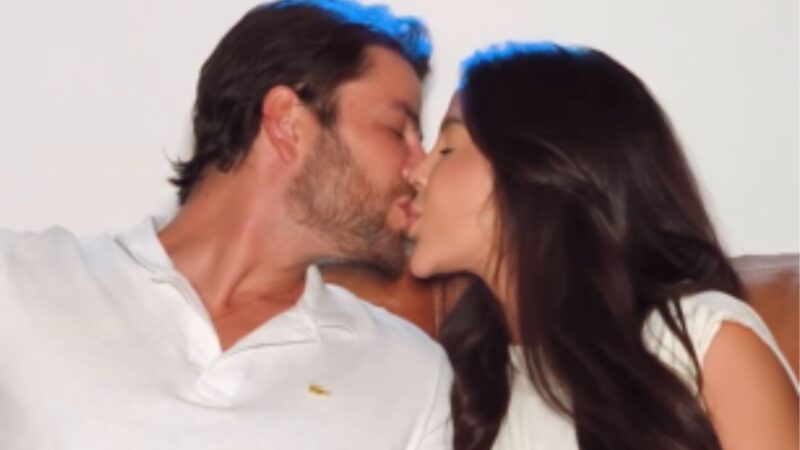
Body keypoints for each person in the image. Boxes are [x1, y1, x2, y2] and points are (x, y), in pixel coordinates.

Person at [0, 1, 452, 449]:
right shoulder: (19, 282)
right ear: (287, 122)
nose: (420, 169)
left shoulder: (412, 377)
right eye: (397, 131)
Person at [405, 42, 798, 450]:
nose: (416, 173)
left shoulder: (703, 342)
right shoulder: (463, 388)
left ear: (539, 168)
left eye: (448, 148)